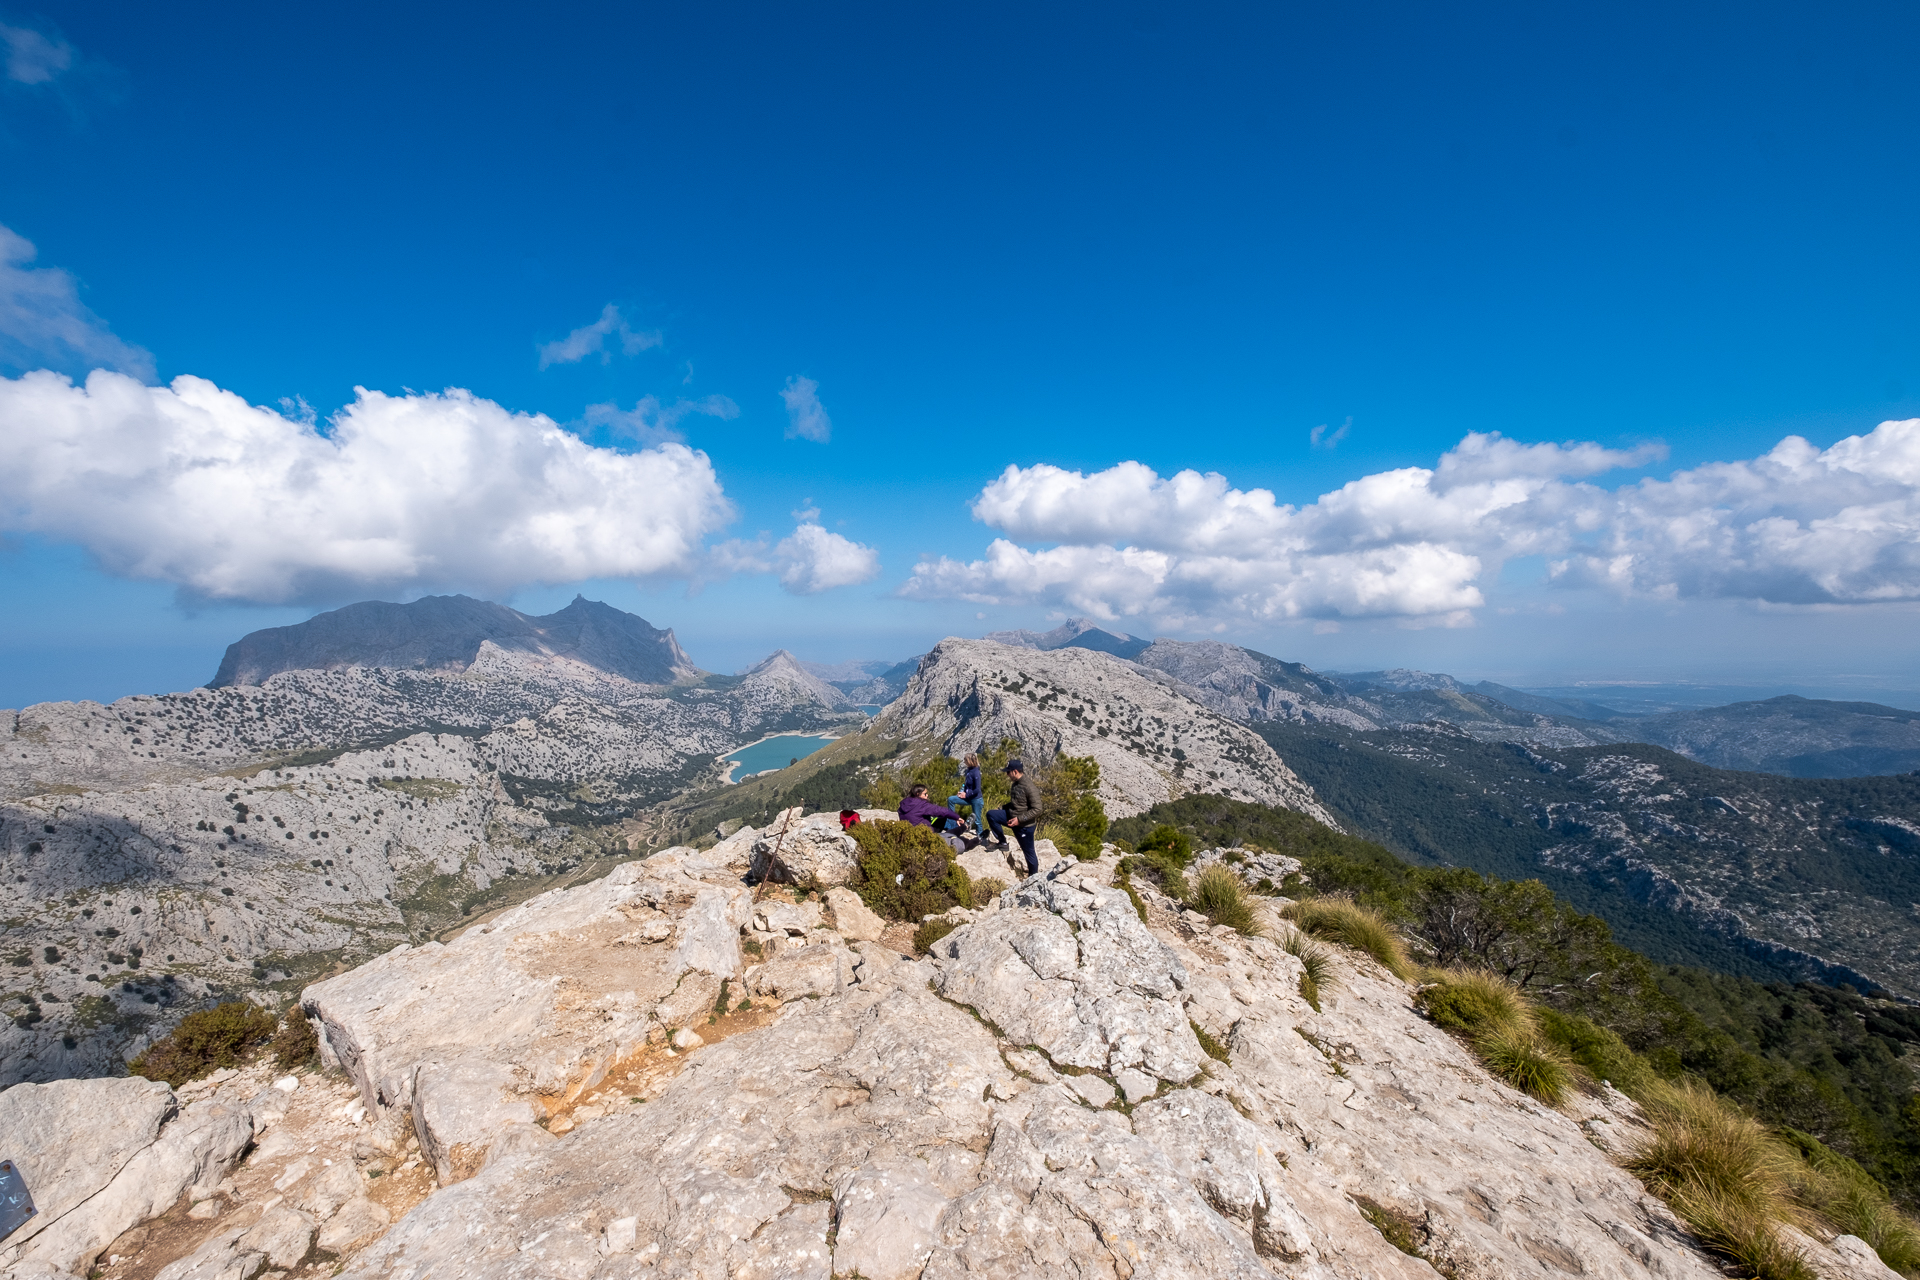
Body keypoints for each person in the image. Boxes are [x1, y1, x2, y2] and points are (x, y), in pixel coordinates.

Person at [986, 758, 1042, 876]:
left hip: (1024, 826)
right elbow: (1017, 803)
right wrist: (1002, 808)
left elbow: (1037, 809)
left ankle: (1033, 878)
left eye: (1008, 772)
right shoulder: (1016, 785)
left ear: (1015, 771)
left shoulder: (1029, 787)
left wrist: (1019, 820)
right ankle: (1002, 842)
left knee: (1029, 853)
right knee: (991, 815)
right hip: (1011, 817)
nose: (1007, 775)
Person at [898, 784, 967, 854]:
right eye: (925, 794)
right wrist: (957, 817)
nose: (927, 795)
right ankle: (964, 827)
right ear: (917, 794)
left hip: (911, 833)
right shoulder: (921, 805)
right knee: (949, 834)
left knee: (941, 819)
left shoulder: (904, 804)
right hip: (924, 835)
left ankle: (961, 827)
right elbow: (941, 811)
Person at [946, 753, 984, 832]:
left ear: (970, 761)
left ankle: (980, 836)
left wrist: (966, 795)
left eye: (965, 760)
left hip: (976, 799)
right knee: (951, 800)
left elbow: (977, 790)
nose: (964, 761)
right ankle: (952, 824)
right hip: (968, 797)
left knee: (977, 820)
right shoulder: (968, 771)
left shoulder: (976, 773)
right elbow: (966, 784)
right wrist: (961, 791)